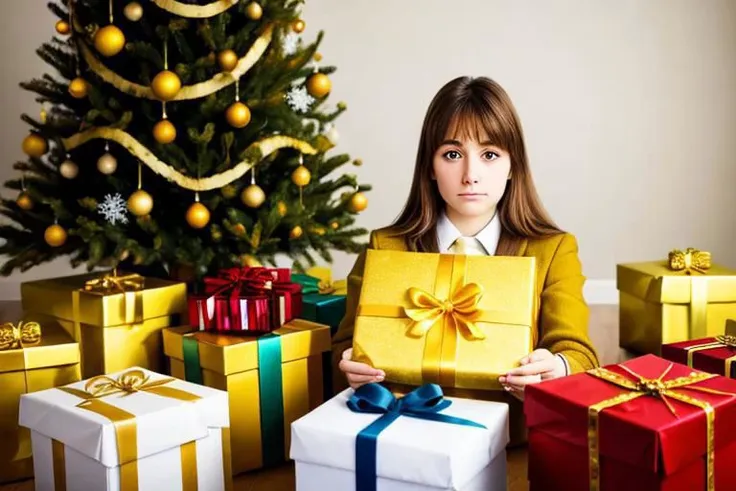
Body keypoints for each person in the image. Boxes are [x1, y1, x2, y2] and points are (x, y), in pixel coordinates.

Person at [331, 75, 600, 444]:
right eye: (452, 154)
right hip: (403, 438)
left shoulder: (553, 250)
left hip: (508, 444)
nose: (471, 175)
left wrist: (557, 368)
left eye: (489, 155)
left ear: (512, 166)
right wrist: (348, 364)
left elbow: (580, 354)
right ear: (430, 165)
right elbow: (340, 348)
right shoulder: (385, 248)